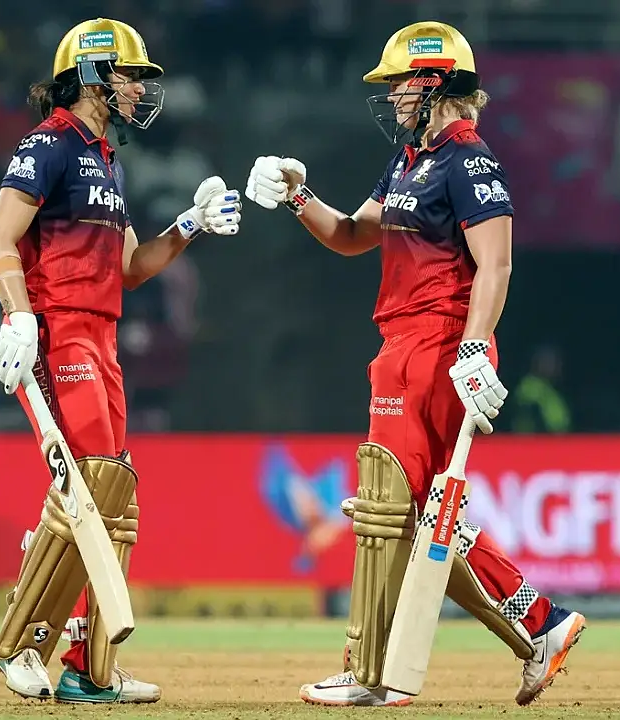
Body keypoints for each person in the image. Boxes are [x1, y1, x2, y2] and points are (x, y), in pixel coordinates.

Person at [244, 21, 585, 708]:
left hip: (437, 346)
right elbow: (352, 236)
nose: (393, 96)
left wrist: (475, 344)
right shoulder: (408, 160)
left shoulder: (468, 161)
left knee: (391, 508)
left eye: (401, 84)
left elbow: (496, 263)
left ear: (434, 84)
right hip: (402, 345)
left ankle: (369, 672)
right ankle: (540, 624)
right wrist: (298, 197)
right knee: (424, 515)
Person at [0, 17, 241, 705]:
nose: (138, 89)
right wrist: (19, 318)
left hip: (102, 337)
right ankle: (21, 644)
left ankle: (90, 670)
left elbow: (131, 267)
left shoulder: (106, 159)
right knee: (89, 487)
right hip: (55, 333)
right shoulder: (48, 144)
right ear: (93, 75)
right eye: (129, 75)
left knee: (110, 495)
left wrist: (190, 225)